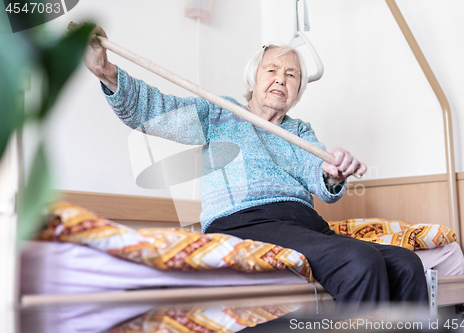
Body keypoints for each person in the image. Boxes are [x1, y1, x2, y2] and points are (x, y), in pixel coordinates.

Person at [72, 23, 429, 312]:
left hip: (305, 225)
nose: (280, 79)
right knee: (359, 260)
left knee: (407, 264)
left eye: (291, 75)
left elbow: (316, 171)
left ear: (297, 90)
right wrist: (106, 71)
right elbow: (157, 111)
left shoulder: (299, 131)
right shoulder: (221, 111)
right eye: (271, 69)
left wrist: (331, 174)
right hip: (243, 221)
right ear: (253, 80)